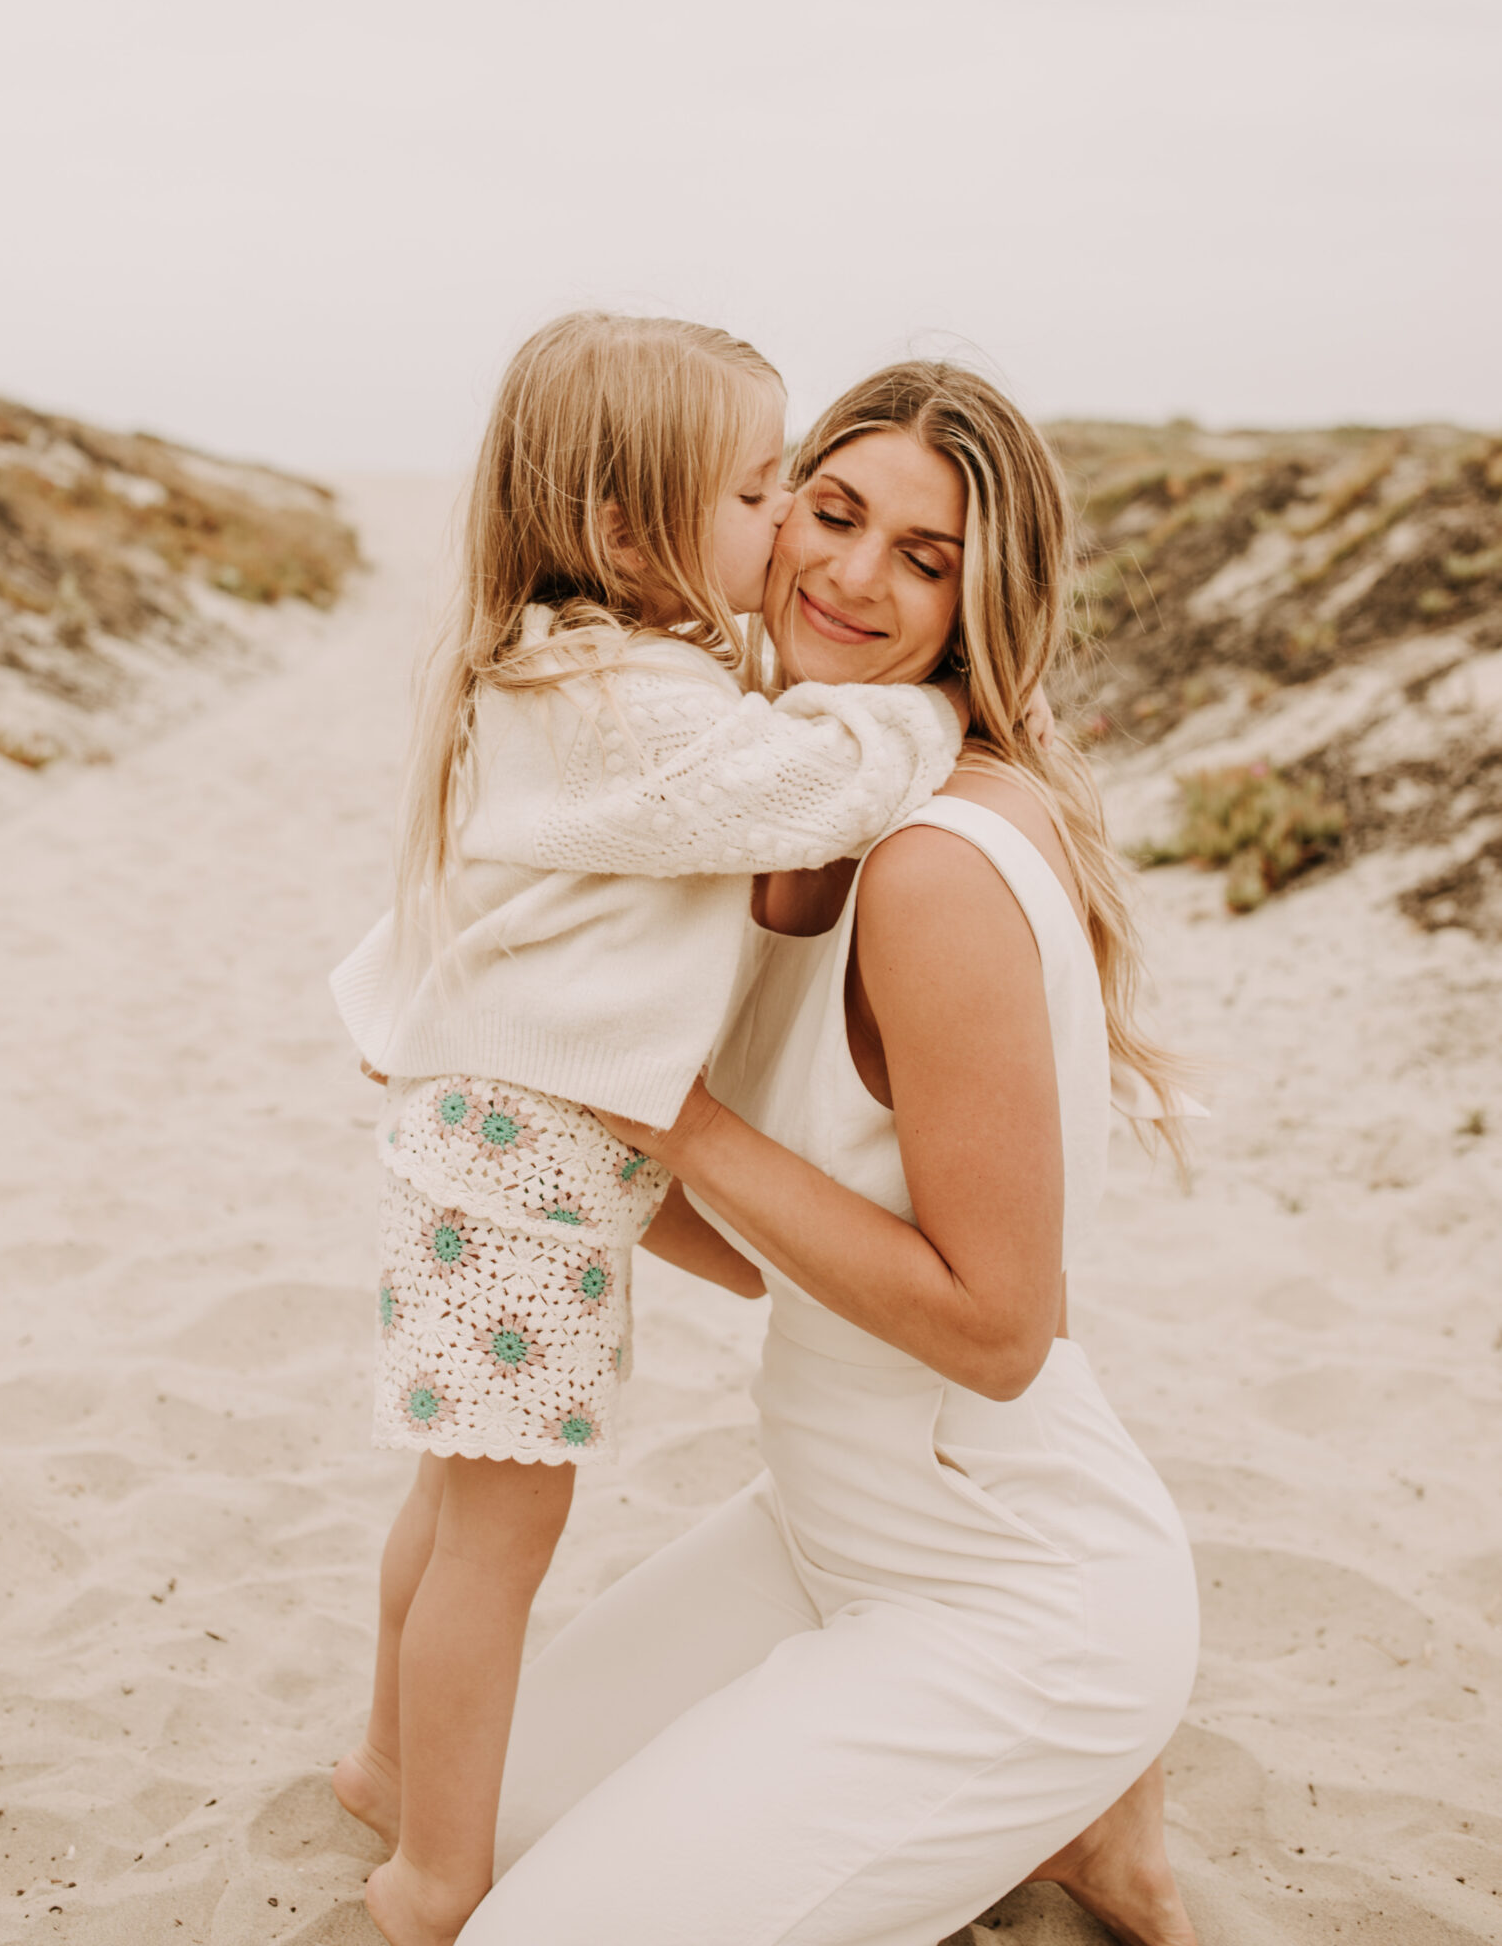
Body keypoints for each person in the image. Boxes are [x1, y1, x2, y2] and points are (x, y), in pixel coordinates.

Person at [467, 360, 1202, 1946]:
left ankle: (1080, 1779)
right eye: (836, 512)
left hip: (1012, 1592)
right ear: (773, 507)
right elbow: (752, 1252)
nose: (857, 577)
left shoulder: (933, 867)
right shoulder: (782, 803)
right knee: (494, 1811)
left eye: (926, 559)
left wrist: (672, 1112)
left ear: (977, 601)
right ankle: (1073, 1828)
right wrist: (523, 1078)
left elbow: (1004, 1334)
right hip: (818, 1527)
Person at [326, 314, 977, 1946]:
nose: (784, 529)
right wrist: (941, 715)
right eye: (764, 494)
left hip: (509, 1160)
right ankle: (431, 1874)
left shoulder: (608, 674)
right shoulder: (628, 711)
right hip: (524, 1177)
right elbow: (815, 791)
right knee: (501, 1525)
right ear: (629, 535)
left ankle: (387, 1767)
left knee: (455, 1498)